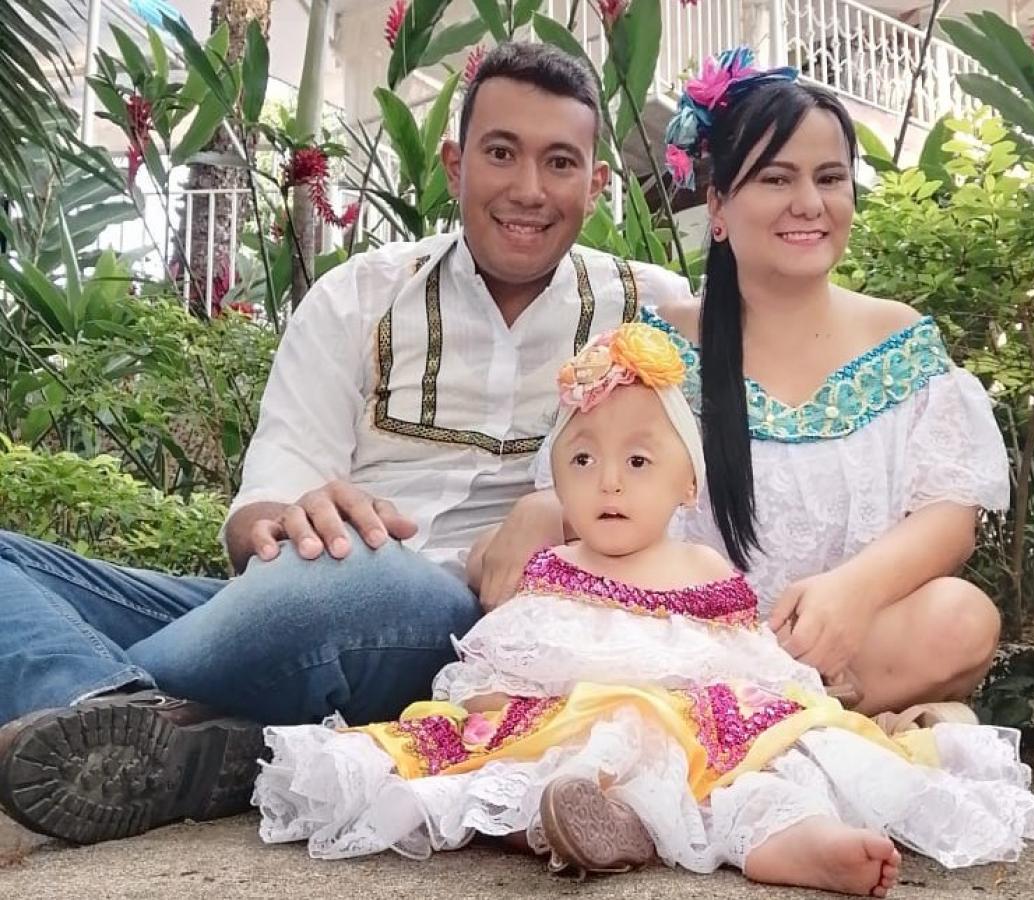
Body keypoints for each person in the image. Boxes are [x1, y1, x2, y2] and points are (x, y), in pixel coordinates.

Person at [0, 42, 687, 845]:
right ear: (455, 163)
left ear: (595, 183)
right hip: (296, 595)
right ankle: (132, 714)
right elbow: (261, 510)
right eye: (501, 153)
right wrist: (289, 520)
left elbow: (720, 448)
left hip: (460, 622)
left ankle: (106, 697)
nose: (529, 189)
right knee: (314, 577)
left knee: (358, 585)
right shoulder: (362, 295)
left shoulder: (651, 312)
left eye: (559, 162)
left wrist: (551, 506)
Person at [254, 324, 1034, 896]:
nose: (609, 482)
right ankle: (588, 829)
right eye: (584, 460)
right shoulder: (557, 569)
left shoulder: (702, 568)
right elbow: (510, 651)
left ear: (686, 484)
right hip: (578, 735)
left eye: (638, 461)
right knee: (534, 772)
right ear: (556, 478)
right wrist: (489, 704)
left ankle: (802, 844)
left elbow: (757, 663)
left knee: (758, 778)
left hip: (699, 743)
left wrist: (779, 708)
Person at [642, 49, 1010, 719]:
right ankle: (787, 723)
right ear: (718, 203)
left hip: (844, 648)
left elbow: (950, 513)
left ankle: (758, 723)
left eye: (830, 177)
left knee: (962, 618)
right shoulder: (658, 345)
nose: (809, 204)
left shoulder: (898, 338)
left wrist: (853, 593)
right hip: (686, 647)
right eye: (776, 178)